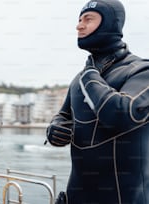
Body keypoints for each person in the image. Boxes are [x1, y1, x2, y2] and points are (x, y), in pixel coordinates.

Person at [45, 0, 149, 203]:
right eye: (79, 19)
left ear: (110, 24)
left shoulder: (140, 70)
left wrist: (90, 74)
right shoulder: (79, 79)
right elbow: (62, 116)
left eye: (88, 19)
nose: (79, 25)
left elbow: (122, 114)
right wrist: (54, 129)